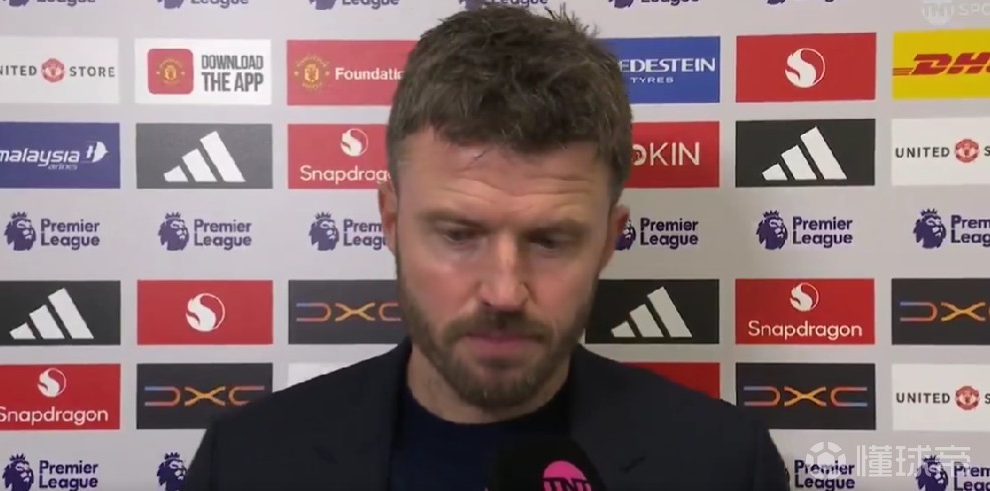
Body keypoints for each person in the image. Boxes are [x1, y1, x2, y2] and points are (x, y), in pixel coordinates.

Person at [180, 4, 790, 491]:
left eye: (549, 240)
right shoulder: (246, 463)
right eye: (459, 235)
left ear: (609, 240)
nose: (504, 292)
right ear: (391, 220)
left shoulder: (724, 467)